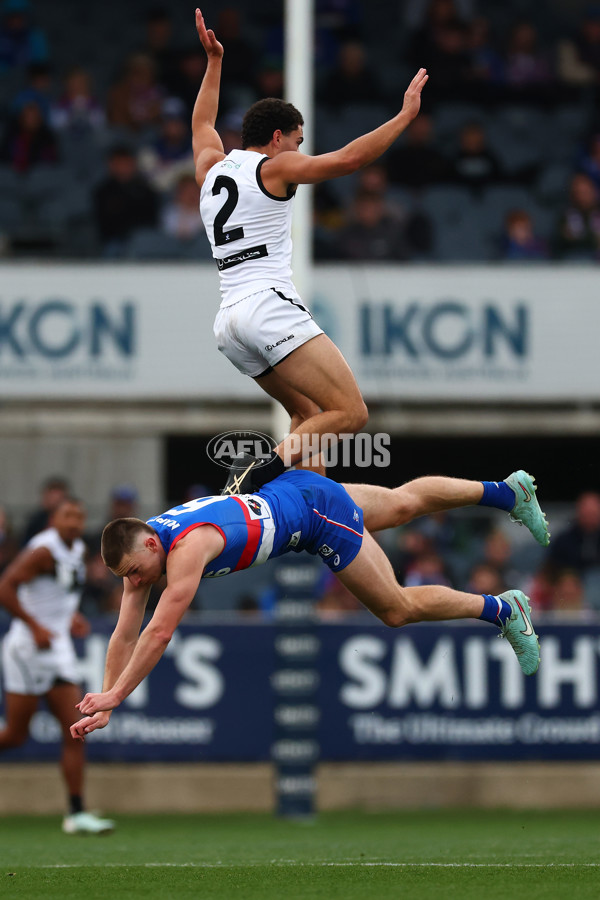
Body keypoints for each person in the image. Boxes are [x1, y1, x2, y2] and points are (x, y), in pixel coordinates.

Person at [70, 467, 550, 741]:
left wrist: (118, 694)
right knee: (403, 504)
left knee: (396, 609)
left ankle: (505, 611)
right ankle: (508, 492)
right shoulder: (147, 547)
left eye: (133, 572)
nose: (133, 584)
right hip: (293, 491)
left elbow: (157, 632)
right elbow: (124, 631)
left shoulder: (187, 549)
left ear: (151, 546)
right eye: (125, 577)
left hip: (315, 517)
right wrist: (108, 699)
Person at [192, 9, 428, 493]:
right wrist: (403, 117)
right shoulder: (273, 169)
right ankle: (255, 477)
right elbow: (350, 160)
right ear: (277, 138)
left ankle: (309, 502)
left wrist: (214, 62)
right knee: (351, 413)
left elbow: (202, 122)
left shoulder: (211, 168)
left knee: (306, 415)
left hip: (229, 321)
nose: (300, 150)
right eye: (297, 141)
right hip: (266, 305)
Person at [0, 497, 114, 834]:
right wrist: (35, 625)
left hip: (58, 647)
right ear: (53, 520)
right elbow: (5, 588)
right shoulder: (43, 550)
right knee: (16, 736)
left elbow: (54, 595)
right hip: (28, 648)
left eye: (79, 516)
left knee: (76, 729)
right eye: (67, 516)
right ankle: (76, 812)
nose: (75, 522)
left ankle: (76, 813)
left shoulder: (76, 548)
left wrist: (71, 616)